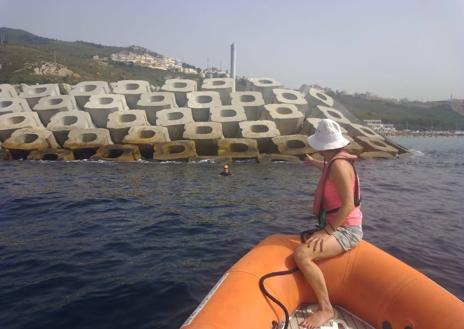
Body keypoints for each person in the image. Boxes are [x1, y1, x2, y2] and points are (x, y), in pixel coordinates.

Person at [294, 119, 363, 329]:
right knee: (304, 240)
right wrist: (312, 163)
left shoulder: (340, 166)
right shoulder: (335, 162)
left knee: (302, 255)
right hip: (339, 226)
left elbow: (348, 205)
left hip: (347, 230)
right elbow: (327, 170)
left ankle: (326, 309)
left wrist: (327, 231)